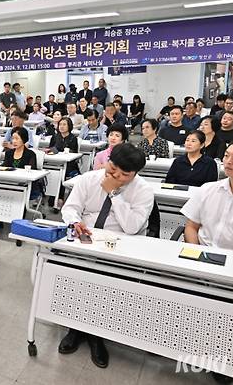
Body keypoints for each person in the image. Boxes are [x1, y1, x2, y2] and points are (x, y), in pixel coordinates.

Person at [60, 143, 153, 369]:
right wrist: (75, 221)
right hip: (86, 240)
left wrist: (114, 193)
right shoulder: (89, 179)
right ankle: (75, 328)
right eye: (112, 171)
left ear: (136, 173)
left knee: (103, 287)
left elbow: (132, 226)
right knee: (72, 278)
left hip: (119, 245)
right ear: (108, 160)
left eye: (124, 175)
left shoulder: (143, 191)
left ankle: (96, 336)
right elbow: (70, 207)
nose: (117, 177)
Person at [49, 117, 80, 203]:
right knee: (54, 172)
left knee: (61, 174)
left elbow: (75, 153)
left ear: (69, 126)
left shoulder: (73, 138)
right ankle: (54, 197)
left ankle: (59, 198)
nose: (61, 126)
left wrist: (66, 151)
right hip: (56, 163)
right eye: (60, 124)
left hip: (69, 165)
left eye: (64, 124)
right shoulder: (55, 137)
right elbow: (51, 148)